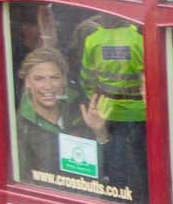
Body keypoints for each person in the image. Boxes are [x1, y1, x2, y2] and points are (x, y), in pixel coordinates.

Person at [14, 46, 106, 179]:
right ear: (27, 82)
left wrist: (100, 132)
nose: (48, 86)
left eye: (55, 78)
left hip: (88, 189)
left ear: (64, 80)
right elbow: (23, 180)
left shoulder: (81, 110)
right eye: (39, 79)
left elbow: (107, 169)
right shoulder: (20, 125)